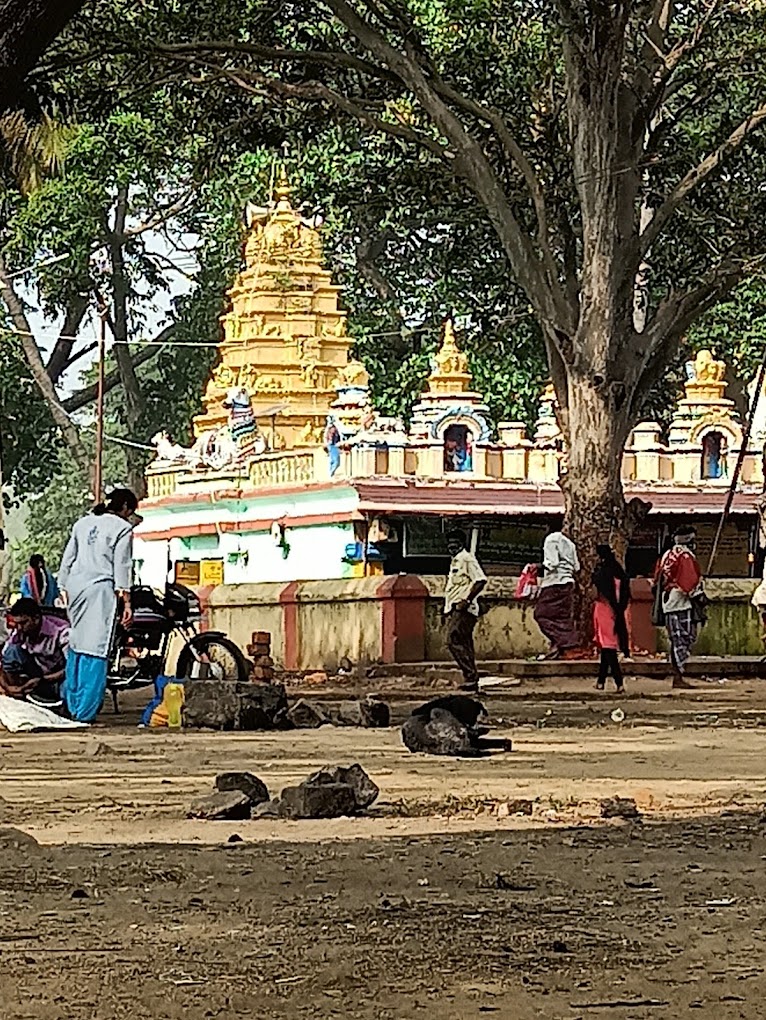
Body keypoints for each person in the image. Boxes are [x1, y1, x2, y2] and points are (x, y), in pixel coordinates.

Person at [58, 488, 138, 722]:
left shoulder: (82, 523)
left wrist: (64, 587)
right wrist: (127, 601)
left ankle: (72, 704)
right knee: (96, 648)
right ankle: (84, 712)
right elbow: (122, 566)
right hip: (99, 589)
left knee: (77, 644)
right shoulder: (123, 529)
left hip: (75, 587)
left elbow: (67, 559)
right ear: (125, 508)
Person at [655, 527, 703, 689]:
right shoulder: (685, 556)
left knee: (676, 640)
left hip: (667, 601)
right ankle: (678, 676)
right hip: (681, 602)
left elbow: (657, 578)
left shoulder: (666, 555)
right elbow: (689, 581)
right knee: (685, 638)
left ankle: (678, 674)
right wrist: (698, 594)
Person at [0, 597, 69, 702]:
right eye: (16, 624)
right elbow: (4, 657)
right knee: (12, 651)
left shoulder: (61, 631)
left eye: (23, 623)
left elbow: (72, 667)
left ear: (36, 619)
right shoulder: (19, 631)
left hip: (58, 676)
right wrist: (7, 687)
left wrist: (43, 680)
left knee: (67, 692)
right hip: (36, 672)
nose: (19, 628)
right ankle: (18, 693)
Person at [444, 529, 487, 693]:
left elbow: (480, 580)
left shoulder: (467, 559)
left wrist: (466, 600)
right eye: (449, 543)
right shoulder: (455, 561)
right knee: (464, 643)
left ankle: (470, 676)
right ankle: (471, 679)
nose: (451, 546)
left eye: (454, 543)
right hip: (455, 607)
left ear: (461, 543)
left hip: (464, 608)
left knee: (452, 640)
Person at [533, 526, 580, 658]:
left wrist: (537, 567)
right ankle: (560, 647)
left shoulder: (551, 539)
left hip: (554, 582)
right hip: (568, 582)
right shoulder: (570, 543)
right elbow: (577, 566)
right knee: (562, 616)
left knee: (541, 614)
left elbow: (551, 563)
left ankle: (567, 643)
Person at [592, 544, 630, 692]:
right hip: (618, 611)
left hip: (604, 609)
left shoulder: (601, 573)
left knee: (608, 648)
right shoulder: (619, 572)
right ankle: (600, 681)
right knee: (607, 647)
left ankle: (619, 682)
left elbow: (596, 592)